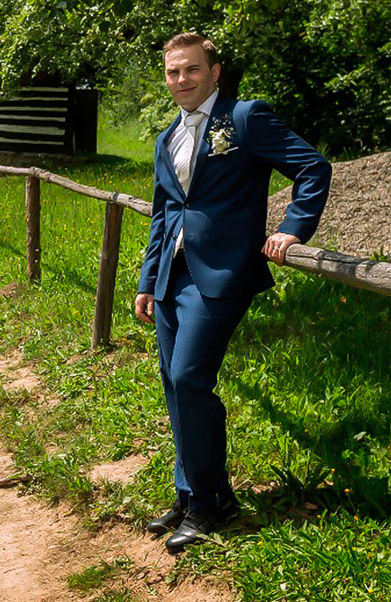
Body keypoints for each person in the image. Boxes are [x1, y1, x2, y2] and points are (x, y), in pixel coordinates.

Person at [135, 32, 331, 553]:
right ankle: (195, 493)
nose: (181, 79)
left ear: (214, 71)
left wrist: (293, 228)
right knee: (174, 385)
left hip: (221, 273)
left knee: (189, 378)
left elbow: (312, 166)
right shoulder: (166, 138)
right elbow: (164, 213)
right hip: (172, 276)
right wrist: (148, 281)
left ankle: (208, 507)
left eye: (191, 69)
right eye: (173, 71)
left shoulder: (244, 119)